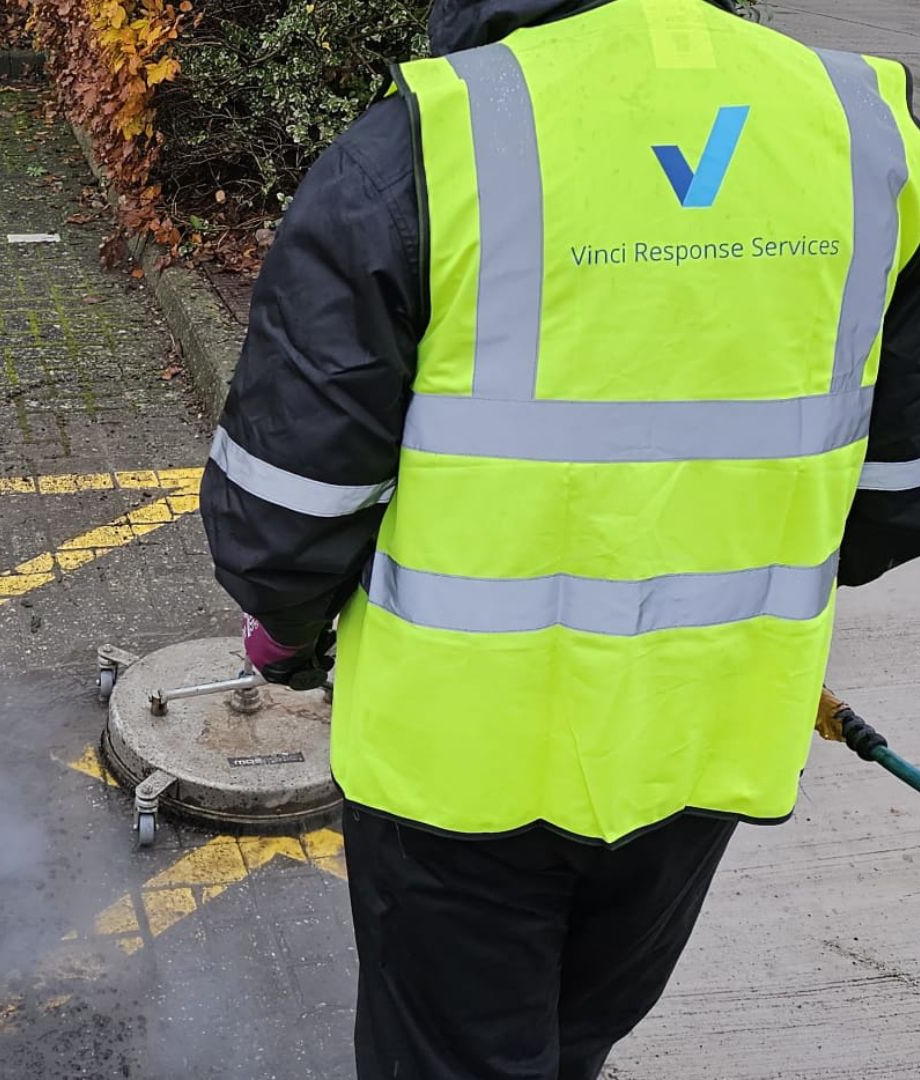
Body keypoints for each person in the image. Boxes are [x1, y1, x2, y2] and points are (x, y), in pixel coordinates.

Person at [199, 0, 920, 1077]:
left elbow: (285, 518)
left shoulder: (429, 141)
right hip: (706, 742)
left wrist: (295, 638)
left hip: (457, 769)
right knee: (576, 1035)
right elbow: (894, 495)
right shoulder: (869, 129)